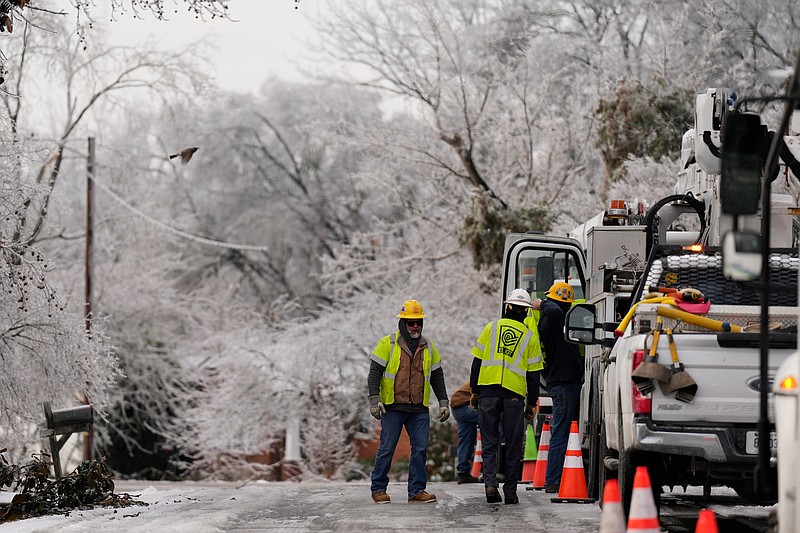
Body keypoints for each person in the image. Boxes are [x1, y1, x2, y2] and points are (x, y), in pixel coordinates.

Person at [367, 299, 450, 504]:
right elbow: (374, 374)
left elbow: (437, 376)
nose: (415, 326)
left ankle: (416, 491)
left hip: (418, 408)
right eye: (411, 322)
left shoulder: (428, 346)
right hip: (393, 407)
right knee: (387, 448)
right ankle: (378, 489)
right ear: (402, 323)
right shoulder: (388, 343)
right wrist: (374, 400)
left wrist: (443, 401)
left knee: (420, 449)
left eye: (418, 322)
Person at [469, 288, 543, 504]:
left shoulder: (490, 328)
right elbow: (533, 374)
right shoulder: (529, 337)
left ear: (507, 306)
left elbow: (476, 363)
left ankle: (491, 485)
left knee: (490, 442)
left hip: (489, 394)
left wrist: (475, 391)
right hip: (513, 397)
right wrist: (531, 403)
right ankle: (510, 492)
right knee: (512, 445)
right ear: (526, 312)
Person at [537, 281, 583, 494]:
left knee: (563, 430)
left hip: (565, 381)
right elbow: (554, 310)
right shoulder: (553, 318)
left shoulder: (558, 321)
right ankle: (553, 480)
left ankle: (555, 478)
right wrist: (544, 303)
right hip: (563, 383)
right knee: (561, 431)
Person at [450, 381, 481, 484]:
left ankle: (463, 473)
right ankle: (491, 469)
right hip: (464, 406)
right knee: (491, 420)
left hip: (458, 407)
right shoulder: (487, 381)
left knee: (466, 439)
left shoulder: (477, 378)